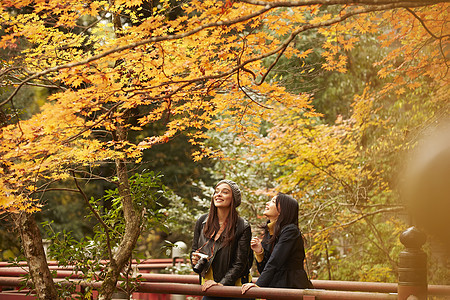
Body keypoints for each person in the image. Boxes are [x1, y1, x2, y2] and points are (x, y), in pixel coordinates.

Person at [191, 179, 253, 300]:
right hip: (209, 288)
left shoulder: (242, 226)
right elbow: (194, 250)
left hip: (235, 289)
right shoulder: (202, 222)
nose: (218, 194)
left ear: (233, 199)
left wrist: (221, 285)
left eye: (225, 192)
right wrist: (194, 260)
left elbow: (240, 263)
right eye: (216, 192)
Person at [241, 193, 312, 294]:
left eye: (273, 202)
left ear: (282, 210)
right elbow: (265, 269)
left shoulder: (290, 231)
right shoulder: (270, 231)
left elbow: (275, 262)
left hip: (291, 287)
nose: (267, 203)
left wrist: (258, 284)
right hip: (276, 287)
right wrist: (259, 252)